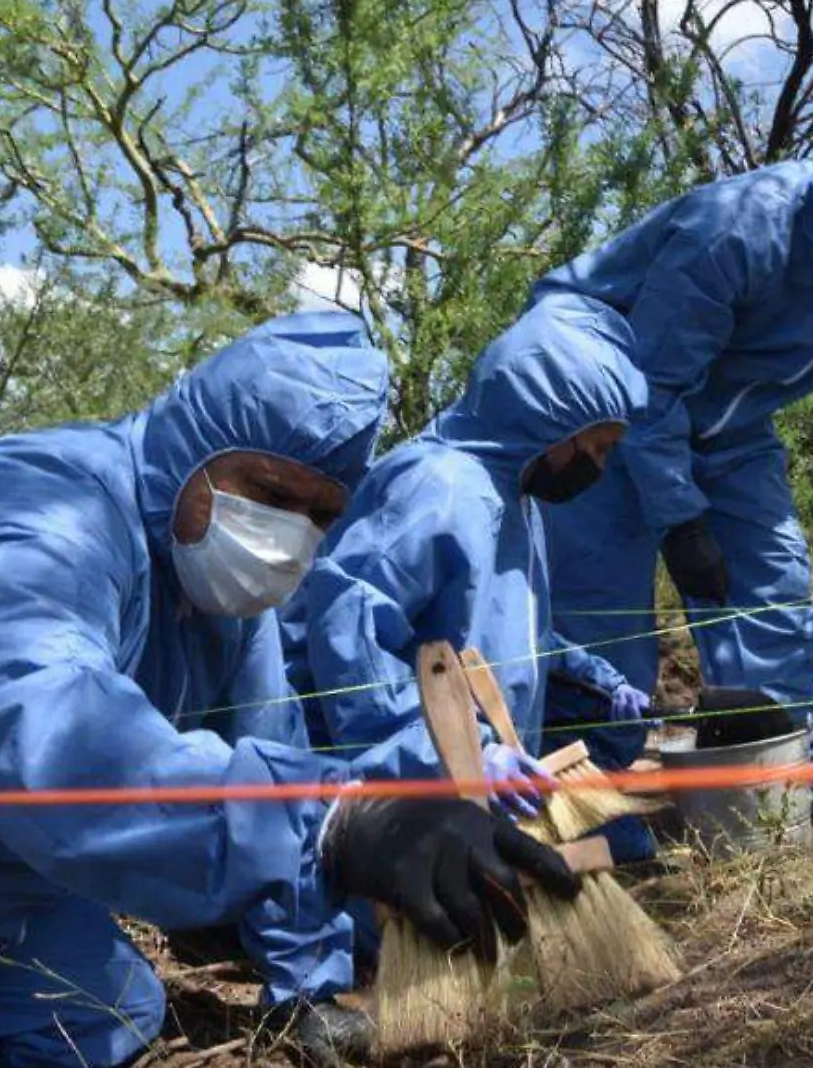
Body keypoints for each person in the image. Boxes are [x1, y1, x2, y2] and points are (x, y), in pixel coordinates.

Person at [0, 317, 581, 1068]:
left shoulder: (217, 598)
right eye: (267, 490)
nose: (288, 535)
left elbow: (269, 762)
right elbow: (52, 745)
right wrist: (335, 823)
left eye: (320, 514)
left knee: (108, 1017)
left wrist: (379, 856)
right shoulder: (41, 520)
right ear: (196, 445)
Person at [526, 121, 813, 833]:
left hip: (729, 427)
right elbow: (652, 387)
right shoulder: (738, 229)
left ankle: (786, 788)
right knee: (601, 620)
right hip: (608, 410)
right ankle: (589, 816)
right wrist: (680, 519)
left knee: (774, 597)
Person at [265, 292, 650, 1063]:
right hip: (400, 792)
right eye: (595, 447)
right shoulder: (438, 484)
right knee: (422, 919)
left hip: (475, 775)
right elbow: (353, 636)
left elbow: (519, 634)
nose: (598, 468)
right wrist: (439, 747)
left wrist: (596, 683)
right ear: (547, 417)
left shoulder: (515, 496)